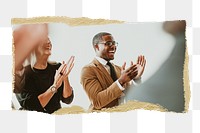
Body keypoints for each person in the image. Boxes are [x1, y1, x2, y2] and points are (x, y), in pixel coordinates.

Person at [13, 24, 75, 114]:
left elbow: (67, 99)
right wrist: (54, 87)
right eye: (43, 40)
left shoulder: (57, 67)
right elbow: (32, 106)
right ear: (32, 47)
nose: (48, 42)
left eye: (48, 40)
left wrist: (65, 78)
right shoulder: (22, 73)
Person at [80, 32, 146, 111]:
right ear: (97, 46)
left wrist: (136, 79)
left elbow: (132, 97)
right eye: (108, 43)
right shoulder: (88, 70)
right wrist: (121, 81)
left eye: (114, 43)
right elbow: (97, 101)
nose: (113, 46)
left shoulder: (119, 69)